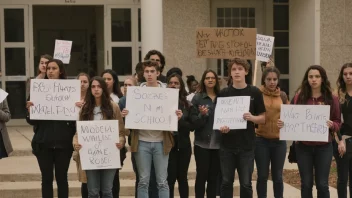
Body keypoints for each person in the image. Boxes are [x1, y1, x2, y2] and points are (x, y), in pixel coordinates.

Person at [278, 65, 341, 198]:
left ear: (322, 79)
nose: (314, 79)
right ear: (307, 79)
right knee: (306, 184)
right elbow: (290, 117)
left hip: (324, 147)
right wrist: (283, 123)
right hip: (303, 147)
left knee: (322, 184)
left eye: (317, 76)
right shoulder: (299, 97)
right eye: (311, 76)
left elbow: (337, 121)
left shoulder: (331, 98)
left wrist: (333, 126)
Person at [121, 61, 181, 198]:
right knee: (143, 180)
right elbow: (130, 122)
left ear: (158, 73)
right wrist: (126, 115)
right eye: (146, 71)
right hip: (141, 142)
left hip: (161, 142)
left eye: (152, 71)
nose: (149, 74)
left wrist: (176, 117)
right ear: (143, 73)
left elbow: (172, 117)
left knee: (162, 181)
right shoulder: (136, 93)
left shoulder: (167, 93)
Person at [26, 59, 76, 198]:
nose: (50, 71)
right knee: (46, 179)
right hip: (43, 143)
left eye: (54, 68)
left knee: (62, 179)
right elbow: (32, 121)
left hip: (63, 143)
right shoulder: (38, 90)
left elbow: (75, 121)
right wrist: (30, 111)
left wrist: (78, 109)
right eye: (48, 68)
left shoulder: (70, 90)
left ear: (60, 71)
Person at [218, 58, 266, 198]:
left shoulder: (255, 92)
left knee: (246, 184)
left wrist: (252, 118)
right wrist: (222, 128)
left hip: (247, 146)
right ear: (230, 74)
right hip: (227, 146)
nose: (237, 72)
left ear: (246, 71)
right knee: (226, 182)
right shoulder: (224, 93)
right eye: (234, 69)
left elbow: (263, 118)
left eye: (240, 69)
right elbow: (218, 120)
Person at [73, 76, 126, 198]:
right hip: (90, 155)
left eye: (99, 86)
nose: (96, 89)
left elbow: (121, 132)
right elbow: (78, 133)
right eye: (93, 87)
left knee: (107, 191)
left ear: (103, 89)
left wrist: (121, 142)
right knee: (93, 192)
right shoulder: (85, 109)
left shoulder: (113, 107)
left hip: (109, 154)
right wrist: (76, 143)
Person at [255, 67, 288, 198]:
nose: (272, 82)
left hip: (279, 142)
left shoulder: (283, 96)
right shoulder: (257, 94)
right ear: (264, 79)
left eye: (275, 79)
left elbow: (290, 116)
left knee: (278, 177)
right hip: (261, 140)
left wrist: (285, 122)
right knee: (262, 176)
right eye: (269, 79)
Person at [190, 69, 221, 198]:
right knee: (202, 175)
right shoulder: (197, 98)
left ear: (216, 80)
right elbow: (193, 123)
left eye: (212, 78)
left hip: (218, 144)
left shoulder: (222, 97)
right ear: (203, 80)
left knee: (214, 177)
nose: (210, 80)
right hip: (202, 144)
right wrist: (202, 115)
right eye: (207, 78)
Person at [167, 73, 194, 198]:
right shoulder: (162, 102)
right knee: (170, 178)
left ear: (181, 86)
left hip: (183, 146)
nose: (173, 85)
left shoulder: (187, 104)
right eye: (171, 83)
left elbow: (192, 127)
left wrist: (181, 119)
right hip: (168, 146)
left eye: (176, 83)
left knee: (182, 178)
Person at [333, 63, 352, 198]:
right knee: (343, 178)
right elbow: (335, 120)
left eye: (351, 73)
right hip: (343, 140)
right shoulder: (337, 95)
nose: (348, 76)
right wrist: (340, 140)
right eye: (345, 74)